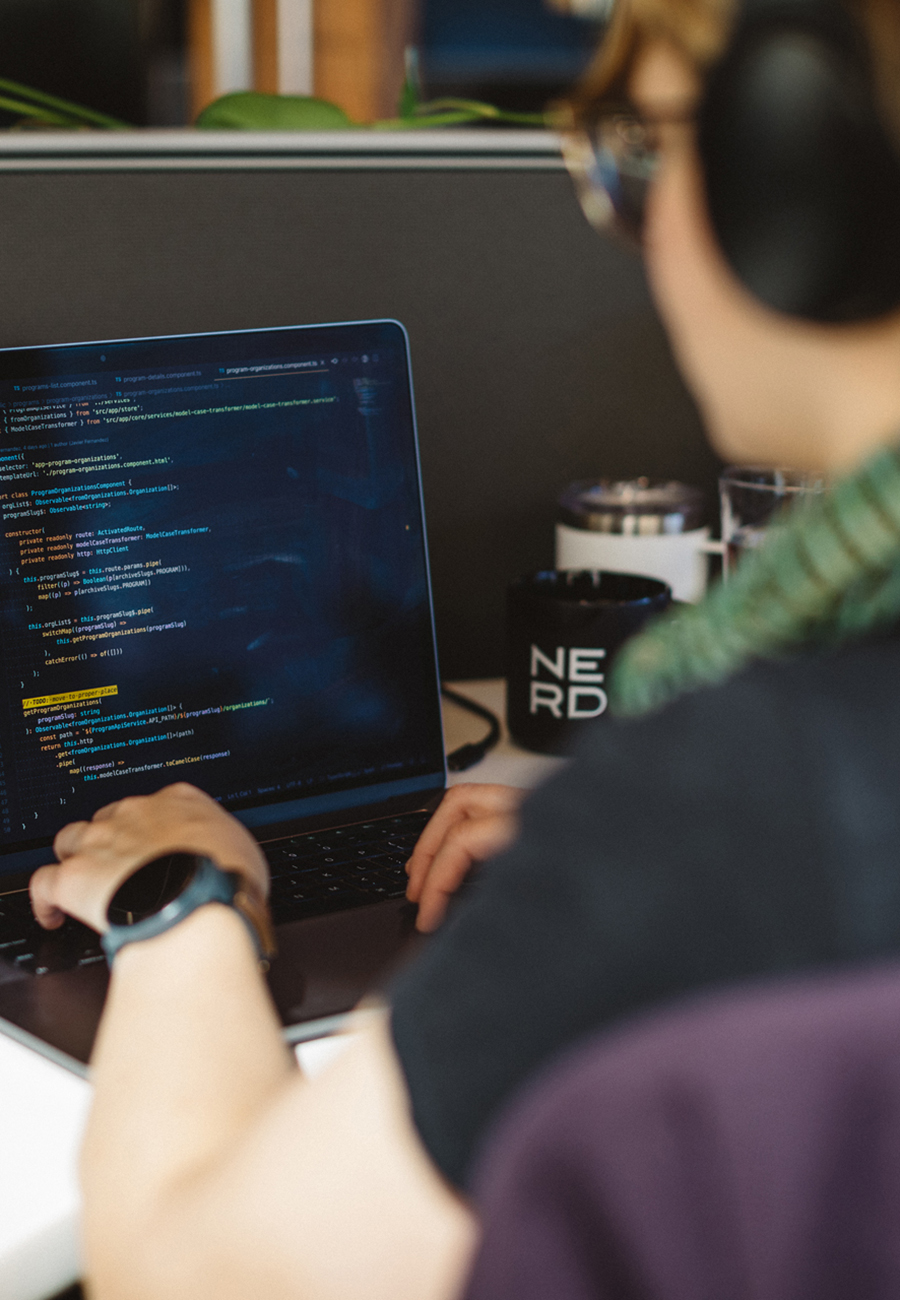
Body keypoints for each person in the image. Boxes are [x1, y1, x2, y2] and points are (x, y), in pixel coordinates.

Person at [28, 0, 900, 1295]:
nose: (632, 235)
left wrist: (183, 906)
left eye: (632, 162)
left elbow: (199, 1269)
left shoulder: (755, 796)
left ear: (793, 173)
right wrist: (596, 861)